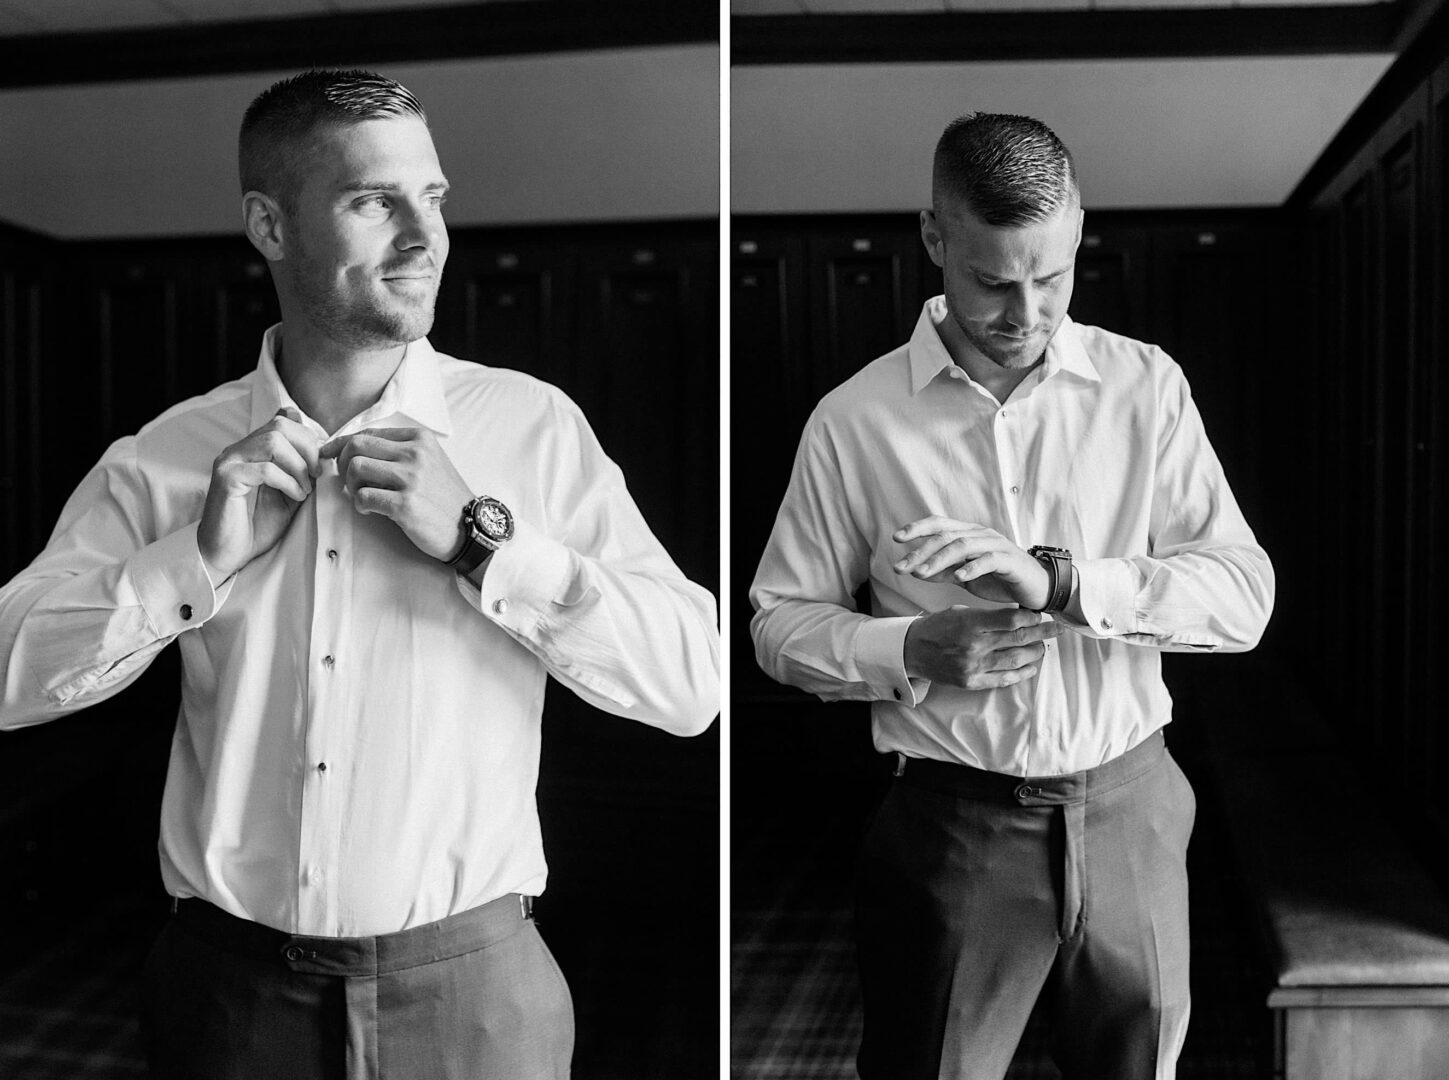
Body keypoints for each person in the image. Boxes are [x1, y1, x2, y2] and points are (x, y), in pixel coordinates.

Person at [0, 69, 719, 1080]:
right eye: (374, 200)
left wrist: (487, 547)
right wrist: (189, 565)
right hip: (227, 1002)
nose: (428, 238)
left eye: (433, 197)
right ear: (270, 225)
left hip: (477, 999)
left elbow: (695, 683)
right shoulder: (167, 455)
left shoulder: (533, 428)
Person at [749, 112, 1273, 1080]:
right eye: (994, 280)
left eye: (1054, 275)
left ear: (1077, 233)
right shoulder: (854, 422)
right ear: (935, 237)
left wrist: (1068, 583)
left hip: (1134, 811)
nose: (1027, 310)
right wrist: (910, 649)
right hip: (954, 828)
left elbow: (1243, 594)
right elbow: (778, 624)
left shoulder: (1146, 389)